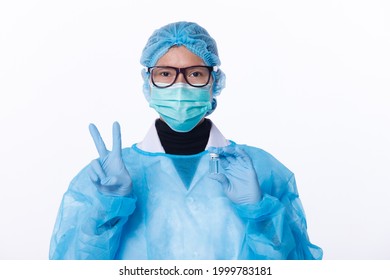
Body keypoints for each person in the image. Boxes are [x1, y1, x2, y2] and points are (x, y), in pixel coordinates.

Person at [49, 21, 323, 260]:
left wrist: (259, 211)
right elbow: (71, 268)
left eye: (194, 73)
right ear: (148, 82)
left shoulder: (260, 170)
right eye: (166, 73)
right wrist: (108, 210)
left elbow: (297, 266)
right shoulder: (106, 177)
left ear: (213, 81)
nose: (180, 87)